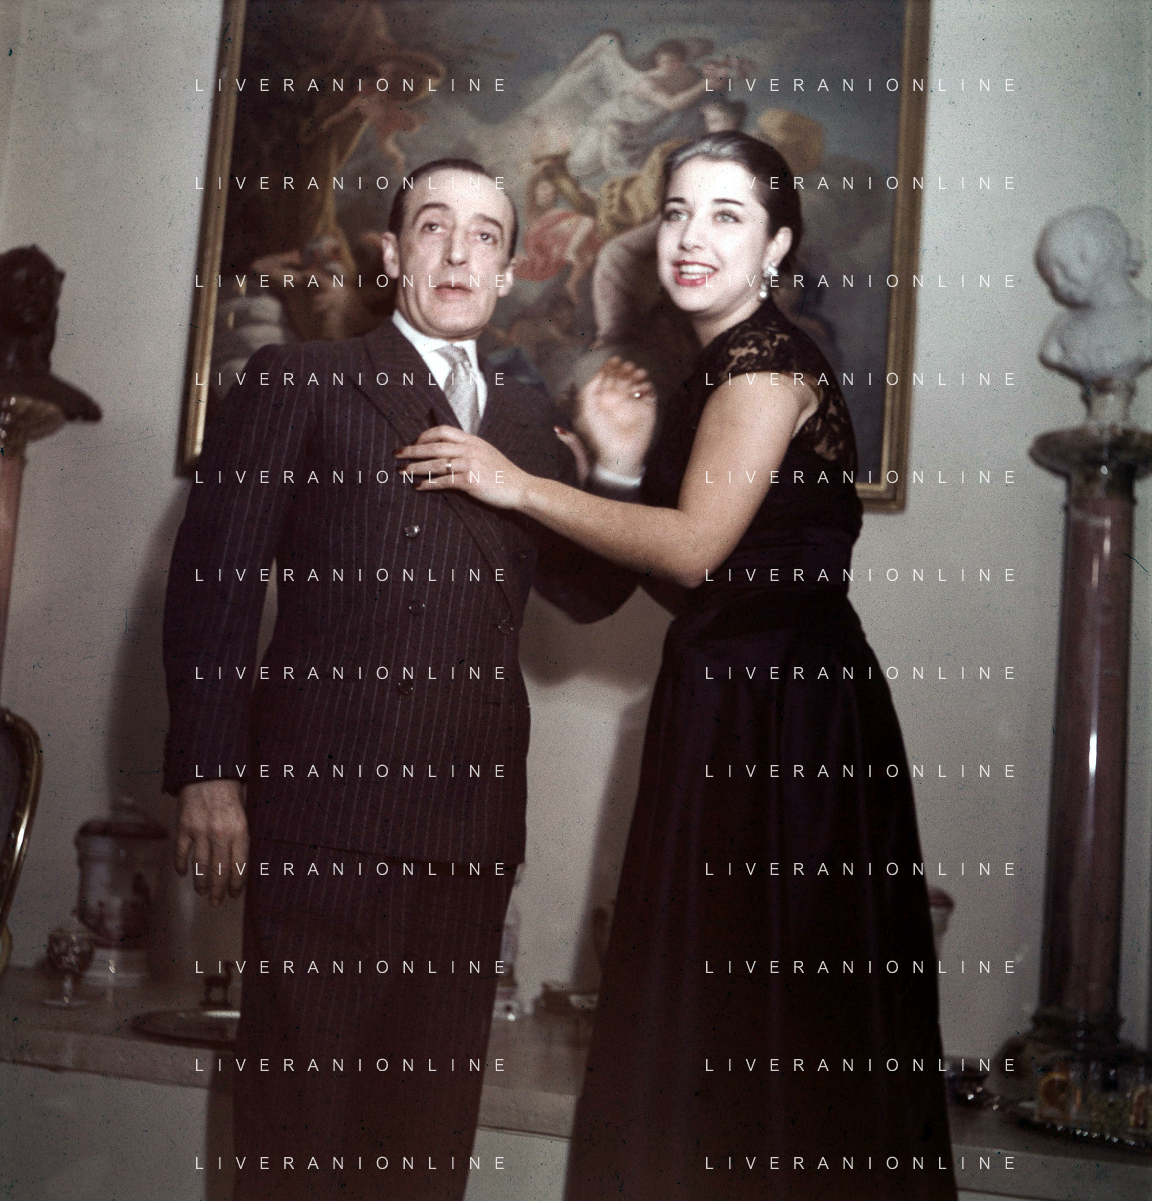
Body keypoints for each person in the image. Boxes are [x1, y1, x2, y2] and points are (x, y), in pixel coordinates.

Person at [397, 132, 958, 1200]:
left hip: (783, 723)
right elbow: (697, 582)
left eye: (727, 216)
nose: (692, 238)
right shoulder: (711, 368)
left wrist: (515, 482)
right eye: (678, 212)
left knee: (767, 1030)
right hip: (738, 702)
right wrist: (612, 468)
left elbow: (695, 548)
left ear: (777, 246)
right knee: (722, 1028)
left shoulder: (765, 365)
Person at [162, 157, 656, 1201]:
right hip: (324, 824)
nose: (459, 253)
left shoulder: (523, 416)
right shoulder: (301, 380)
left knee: (422, 1152)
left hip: (469, 837)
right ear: (393, 254)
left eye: (486, 236)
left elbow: (585, 595)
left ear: (510, 270)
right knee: (299, 1145)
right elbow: (215, 577)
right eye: (434, 227)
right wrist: (208, 769)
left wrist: (613, 467)